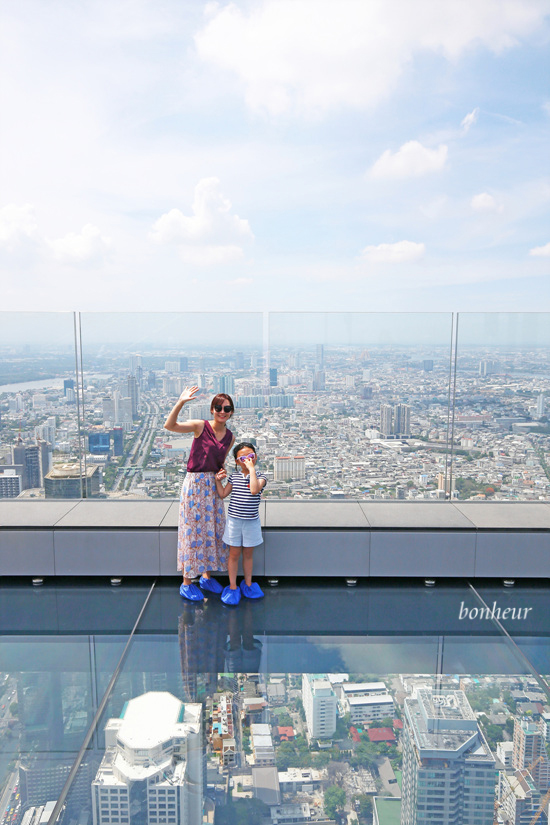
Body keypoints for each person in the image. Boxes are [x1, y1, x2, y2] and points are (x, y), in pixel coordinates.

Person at [164, 386, 235, 601]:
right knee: (192, 530)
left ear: (232, 411)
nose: (222, 411)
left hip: (212, 486)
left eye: (227, 408)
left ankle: (206, 576)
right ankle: (187, 582)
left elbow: (219, 462)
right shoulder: (200, 426)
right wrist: (181, 402)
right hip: (194, 485)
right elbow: (170, 426)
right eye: (218, 407)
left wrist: (222, 472)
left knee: (212, 529)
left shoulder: (230, 437)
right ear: (211, 409)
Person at [215, 442, 267, 605]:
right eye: (243, 458)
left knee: (248, 554)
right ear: (237, 462)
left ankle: (249, 584)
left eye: (251, 456)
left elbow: (254, 490)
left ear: (256, 457)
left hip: (251, 522)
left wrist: (251, 470)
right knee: (234, 554)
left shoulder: (261, 476)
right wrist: (218, 480)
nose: (248, 460)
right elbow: (223, 494)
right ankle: (232, 586)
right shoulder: (234, 476)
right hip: (234, 522)